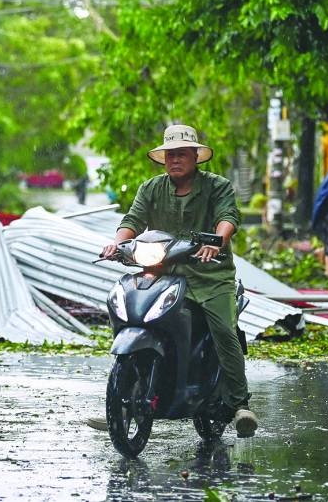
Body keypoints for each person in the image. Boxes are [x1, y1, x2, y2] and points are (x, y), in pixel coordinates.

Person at [98, 123, 257, 438]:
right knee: (133, 315)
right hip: (165, 273)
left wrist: (217, 241)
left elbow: (228, 218)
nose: (175, 160)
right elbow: (132, 220)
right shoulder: (151, 188)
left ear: (196, 156)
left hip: (210, 275)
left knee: (223, 330)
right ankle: (122, 399)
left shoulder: (218, 186)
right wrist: (118, 242)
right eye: (170, 154)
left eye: (182, 154)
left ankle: (240, 404)